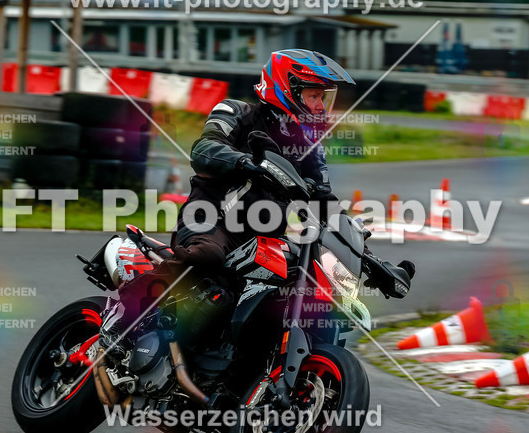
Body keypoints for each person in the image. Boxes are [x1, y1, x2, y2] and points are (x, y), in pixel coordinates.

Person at [100, 49, 355, 339]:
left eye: (324, 98)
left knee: (303, 282)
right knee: (207, 256)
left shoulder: (311, 149)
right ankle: (125, 313)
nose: (321, 106)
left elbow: (325, 203)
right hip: (211, 221)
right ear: (287, 89)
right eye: (314, 96)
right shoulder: (236, 112)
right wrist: (245, 162)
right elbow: (203, 148)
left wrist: (371, 260)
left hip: (264, 241)